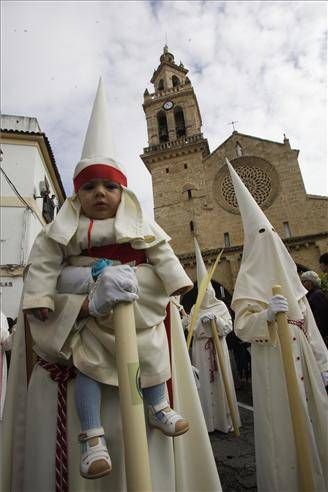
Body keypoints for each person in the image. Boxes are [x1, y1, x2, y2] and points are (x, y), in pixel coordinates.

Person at [20, 79, 193, 480]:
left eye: (110, 186)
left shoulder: (139, 225)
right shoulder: (60, 231)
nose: (100, 194)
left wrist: (173, 281)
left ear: (123, 193)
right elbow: (45, 265)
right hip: (85, 327)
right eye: (90, 187)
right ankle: (92, 438)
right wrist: (69, 290)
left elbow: (161, 253)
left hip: (139, 319)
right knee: (89, 370)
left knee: (151, 357)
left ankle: (159, 407)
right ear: (76, 195)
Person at [226, 158, 328, 491]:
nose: (268, 239)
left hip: (307, 364)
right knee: (284, 424)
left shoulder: (295, 286)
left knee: (317, 417)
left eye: (271, 233)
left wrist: (324, 363)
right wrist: (266, 316)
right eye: (261, 235)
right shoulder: (247, 285)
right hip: (273, 363)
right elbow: (242, 327)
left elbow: (309, 325)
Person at [190, 237, 241, 433]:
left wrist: (216, 322)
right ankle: (209, 423)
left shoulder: (220, 306)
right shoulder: (195, 307)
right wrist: (201, 326)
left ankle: (224, 420)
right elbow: (191, 329)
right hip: (202, 352)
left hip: (219, 348)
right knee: (205, 384)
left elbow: (228, 326)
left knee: (221, 384)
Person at [301, 270, 328, 347]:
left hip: (318, 336)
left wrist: (316, 335)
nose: (302, 284)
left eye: (303, 282)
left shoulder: (317, 295)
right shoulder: (311, 295)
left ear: (310, 283)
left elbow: (322, 318)